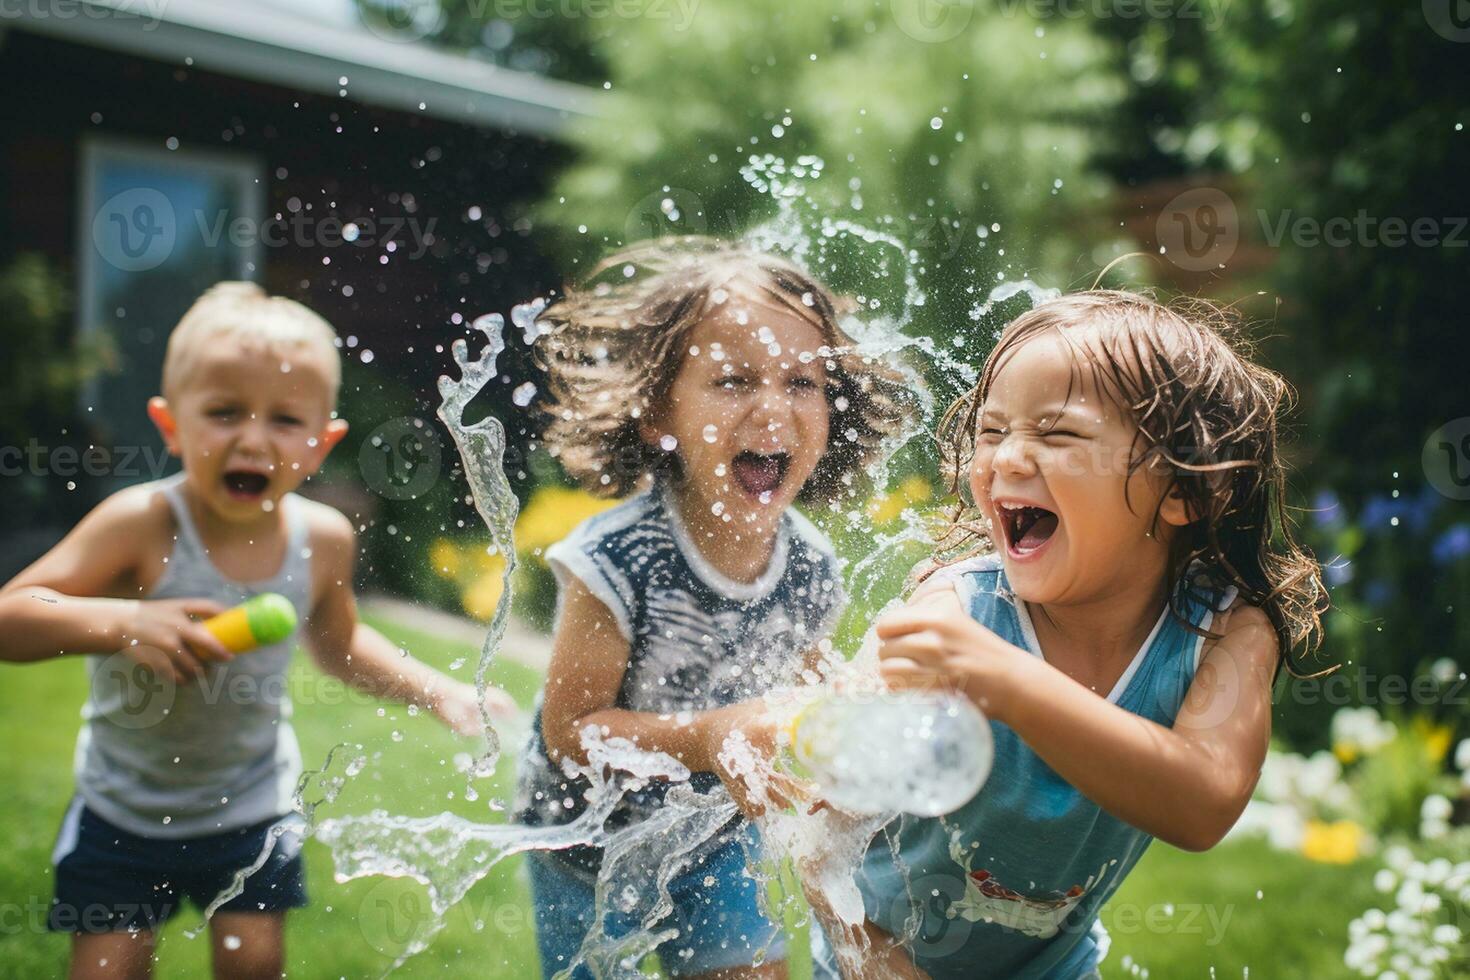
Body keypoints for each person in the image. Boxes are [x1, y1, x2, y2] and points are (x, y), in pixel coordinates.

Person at [810, 290, 1329, 979]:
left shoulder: (1228, 630)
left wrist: (1005, 680)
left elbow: (1202, 806)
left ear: (1186, 491)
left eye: (1058, 435)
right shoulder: (956, 614)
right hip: (876, 958)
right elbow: (817, 832)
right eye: (992, 433)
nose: (1007, 460)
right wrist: (875, 961)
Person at [0, 282, 512, 980]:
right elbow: (12, 616)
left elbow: (341, 647)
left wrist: (437, 690)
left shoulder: (321, 540)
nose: (252, 438)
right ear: (171, 424)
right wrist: (120, 622)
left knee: (254, 968)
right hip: (123, 810)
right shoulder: (141, 523)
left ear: (321, 440)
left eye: (282, 419)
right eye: (223, 412)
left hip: (249, 807)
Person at [514, 239, 919, 979]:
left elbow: (795, 695)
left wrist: (847, 716)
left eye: (802, 382)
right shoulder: (615, 561)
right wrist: (707, 739)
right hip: (585, 843)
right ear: (655, 415)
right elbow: (571, 733)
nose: (772, 408)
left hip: (715, 833)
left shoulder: (811, 567)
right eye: (734, 380)